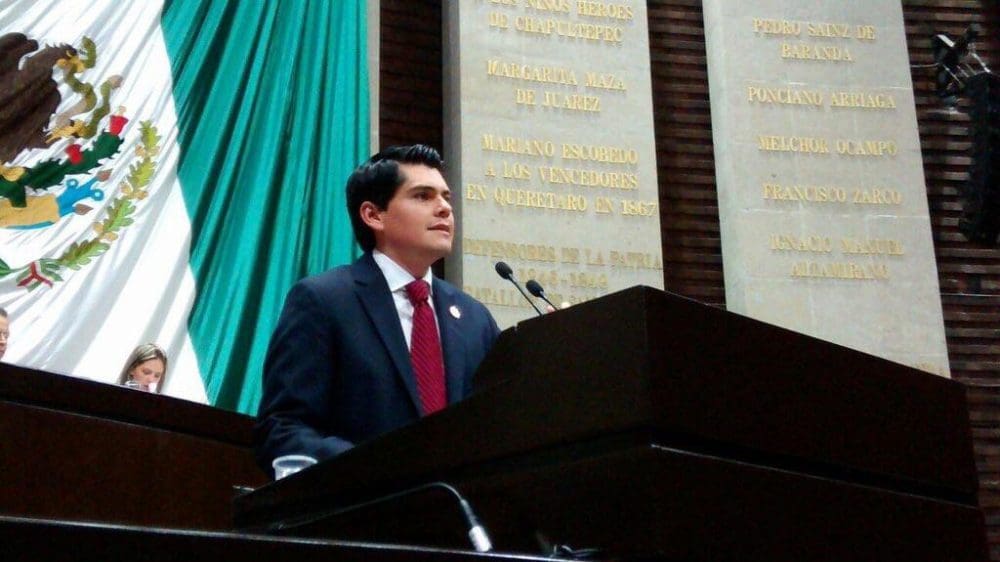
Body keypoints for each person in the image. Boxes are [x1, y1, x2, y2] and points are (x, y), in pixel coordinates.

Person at [255, 144, 500, 470]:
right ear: (373, 215)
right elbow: (283, 429)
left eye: (446, 197)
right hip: (365, 497)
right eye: (423, 196)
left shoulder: (474, 318)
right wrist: (375, 468)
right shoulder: (324, 301)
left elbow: (499, 422)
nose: (444, 209)